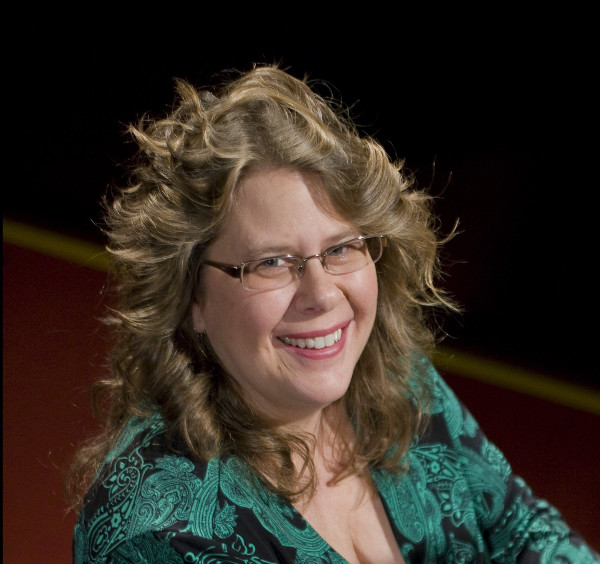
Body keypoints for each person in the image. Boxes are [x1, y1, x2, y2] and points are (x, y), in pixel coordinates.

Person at [68, 63, 599, 564]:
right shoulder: (158, 533)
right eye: (272, 263)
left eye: (342, 248)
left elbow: (520, 529)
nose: (322, 294)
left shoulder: (398, 379)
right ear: (191, 300)